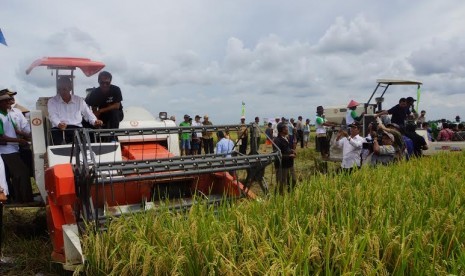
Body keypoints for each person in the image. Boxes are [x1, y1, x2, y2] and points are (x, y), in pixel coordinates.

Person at [48, 77, 103, 145]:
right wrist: (59, 124)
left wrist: (95, 121)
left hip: (77, 130)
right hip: (59, 130)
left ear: (70, 88)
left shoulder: (79, 100)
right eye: (60, 89)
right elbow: (53, 116)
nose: (62, 91)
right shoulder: (52, 101)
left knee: (86, 145)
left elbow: (88, 114)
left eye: (64, 89)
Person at [0, 90, 32, 203]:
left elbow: (16, 130)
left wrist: (31, 136)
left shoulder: (7, 114)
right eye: (6, 101)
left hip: (13, 149)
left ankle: (18, 199)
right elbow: (2, 137)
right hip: (6, 151)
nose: (9, 102)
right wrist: (19, 140)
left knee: (18, 175)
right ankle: (25, 200)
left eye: (9, 100)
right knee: (22, 173)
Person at [272, 122, 296, 194]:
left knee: (293, 180)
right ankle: (278, 199)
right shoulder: (277, 140)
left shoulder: (285, 138)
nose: (287, 129)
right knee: (281, 184)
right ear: (282, 130)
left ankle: (290, 195)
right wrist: (289, 156)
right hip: (281, 166)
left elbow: (286, 148)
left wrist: (292, 150)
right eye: (286, 128)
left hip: (289, 164)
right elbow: (277, 154)